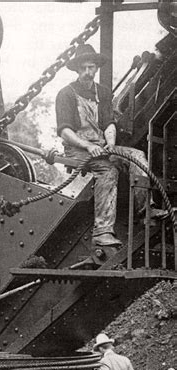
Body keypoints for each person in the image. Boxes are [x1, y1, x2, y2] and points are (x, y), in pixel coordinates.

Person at [55, 43, 165, 247]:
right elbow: (65, 131)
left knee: (137, 156)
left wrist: (112, 144)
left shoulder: (103, 93)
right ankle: (102, 231)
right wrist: (88, 146)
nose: (88, 72)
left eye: (92, 67)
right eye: (84, 68)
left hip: (101, 146)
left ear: (96, 67)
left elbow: (108, 123)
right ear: (77, 69)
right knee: (108, 171)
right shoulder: (66, 94)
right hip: (77, 150)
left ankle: (146, 211)